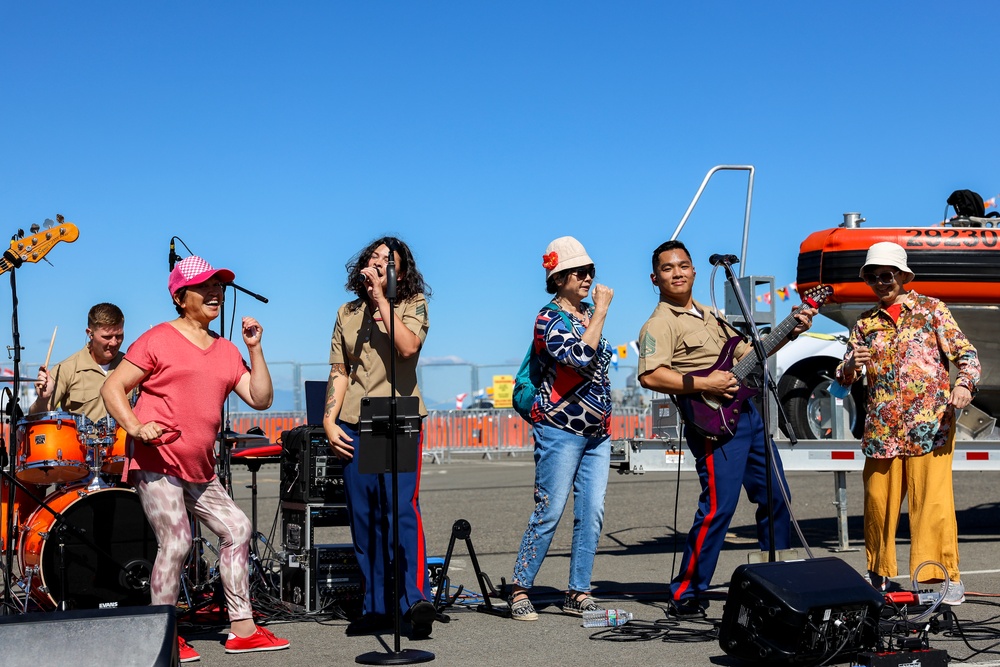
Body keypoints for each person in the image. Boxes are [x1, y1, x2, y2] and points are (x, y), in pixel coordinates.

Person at [101, 255, 289, 662]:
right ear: (180, 296)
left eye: (218, 286)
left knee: (238, 528)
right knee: (178, 541)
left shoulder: (225, 349)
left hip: (200, 469)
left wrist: (255, 349)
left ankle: (242, 629)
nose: (215, 292)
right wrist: (134, 426)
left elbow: (260, 399)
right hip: (159, 460)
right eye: (205, 286)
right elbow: (113, 387)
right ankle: (163, 635)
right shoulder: (157, 339)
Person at [636, 240, 814, 616]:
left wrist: (790, 331)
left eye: (683, 265)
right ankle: (686, 592)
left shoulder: (711, 315)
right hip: (714, 424)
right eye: (668, 268)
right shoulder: (660, 323)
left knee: (778, 498)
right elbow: (651, 375)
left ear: (695, 270)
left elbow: (748, 356)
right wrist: (706, 385)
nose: (677, 272)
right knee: (719, 508)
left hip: (747, 415)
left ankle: (776, 581)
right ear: (656, 278)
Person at [835, 241, 979, 605]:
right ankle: (879, 575)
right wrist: (851, 367)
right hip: (882, 432)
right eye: (873, 276)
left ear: (902, 275)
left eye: (887, 275)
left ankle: (937, 580)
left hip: (929, 428)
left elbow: (967, 355)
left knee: (932, 506)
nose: (880, 282)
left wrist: (963, 385)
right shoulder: (865, 323)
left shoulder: (932, 311)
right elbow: (842, 378)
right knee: (878, 506)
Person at [322, 236, 436, 639]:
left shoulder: (412, 304)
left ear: (400, 273)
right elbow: (339, 370)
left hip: (399, 413)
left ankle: (414, 600)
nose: (379, 263)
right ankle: (376, 606)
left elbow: (407, 348)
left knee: (400, 508)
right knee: (364, 516)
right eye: (374, 257)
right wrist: (329, 421)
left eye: (390, 261)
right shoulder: (346, 312)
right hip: (355, 418)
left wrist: (381, 301)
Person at [508, 236, 614, 622]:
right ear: (559, 278)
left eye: (590, 271)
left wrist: (595, 314)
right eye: (578, 272)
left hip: (598, 432)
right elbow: (578, 357)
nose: (587, 277)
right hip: (559, 427)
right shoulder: (548, 318)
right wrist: (601, 311)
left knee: (593, 510)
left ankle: (578, 590)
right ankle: (520, 588)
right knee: (550, 508)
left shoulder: (587, 314)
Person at [31, 302, 125, 421]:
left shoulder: (132, 366)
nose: (114, 343)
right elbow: (35, 417)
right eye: (107, 337)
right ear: (89, 333)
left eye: (119, 336)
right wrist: (42, 400)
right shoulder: (66, 369)